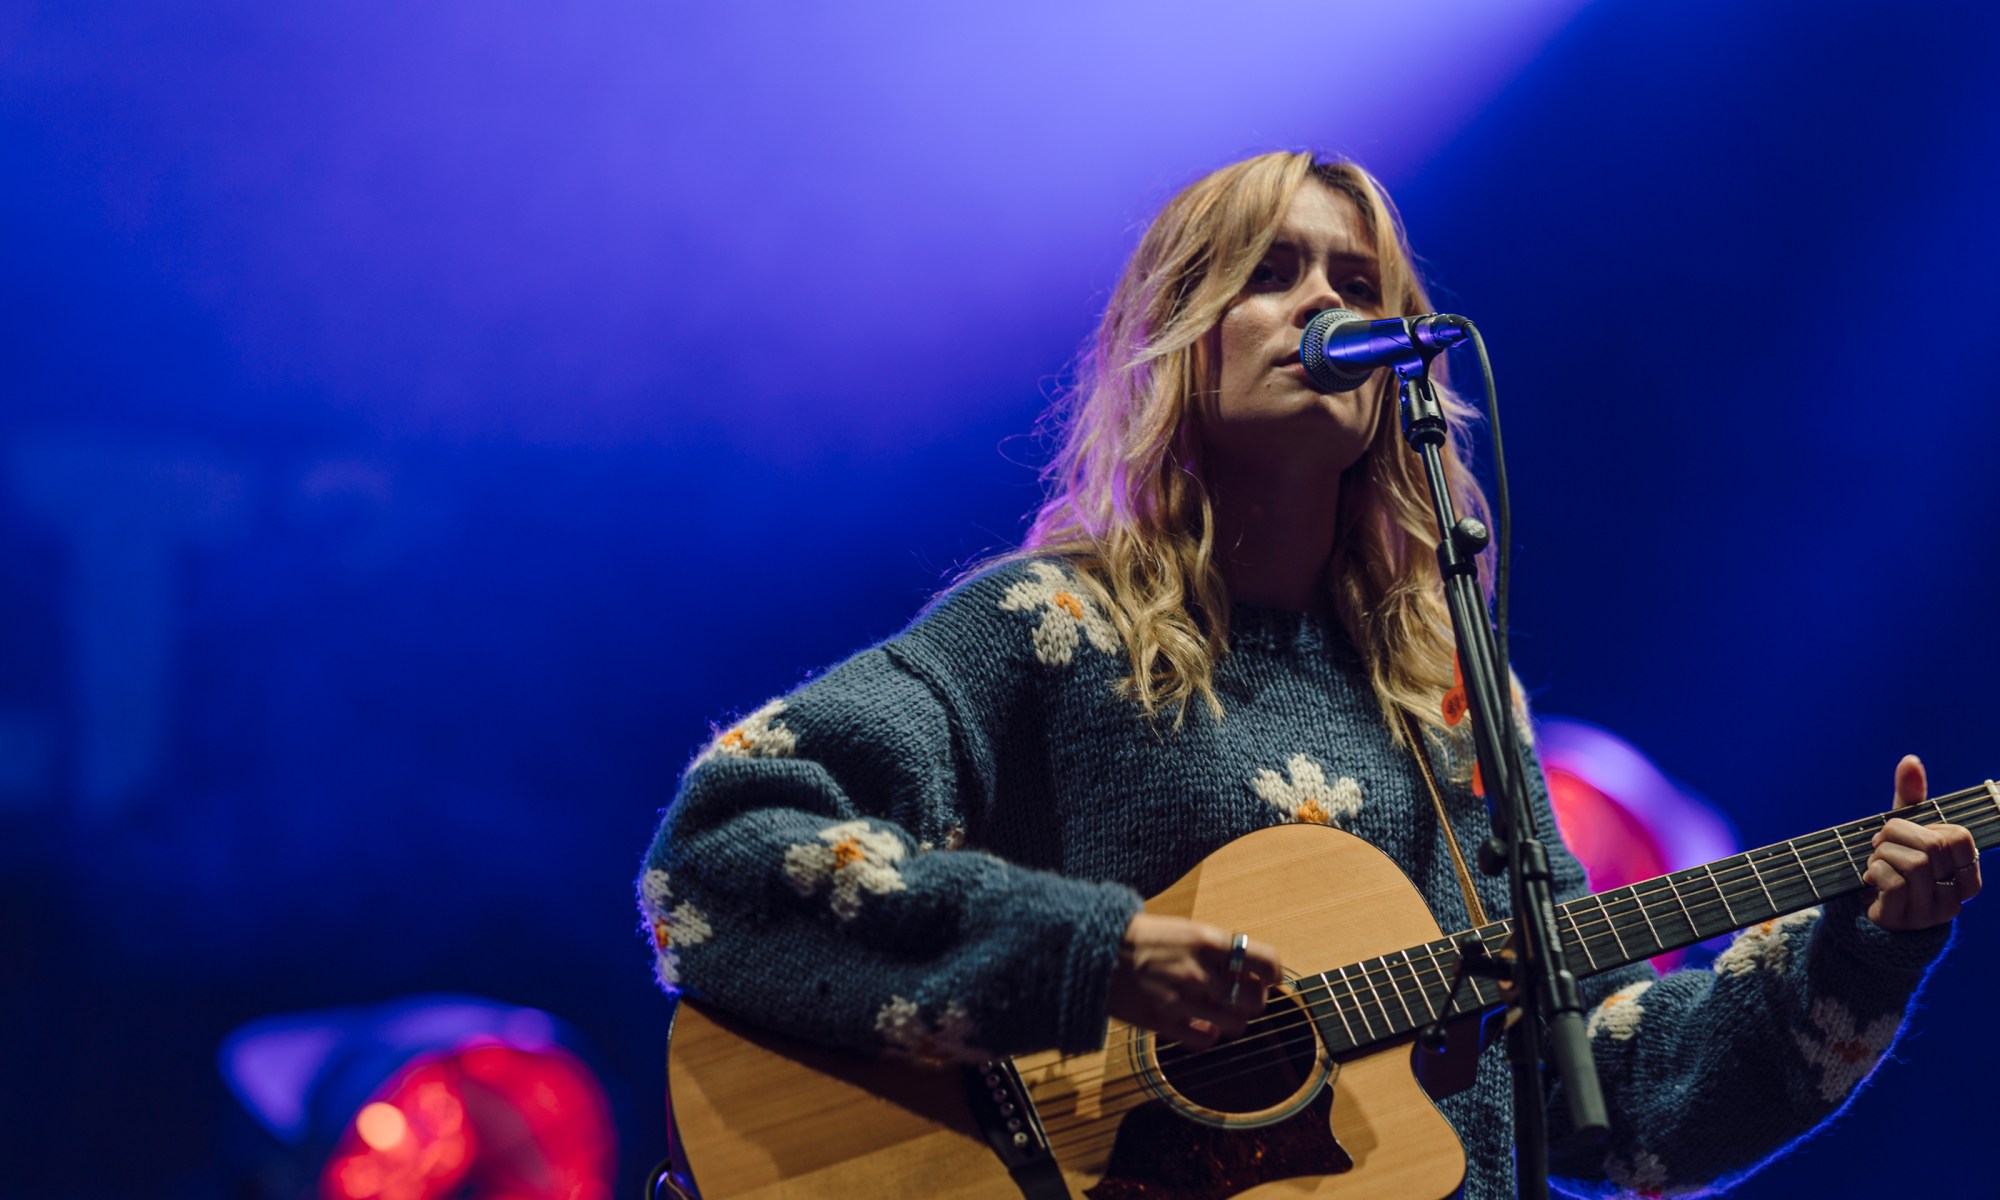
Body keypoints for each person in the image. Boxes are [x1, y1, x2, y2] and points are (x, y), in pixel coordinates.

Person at [636, 151, 1978, 1198]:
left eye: (1357, 280)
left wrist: (1868, 944)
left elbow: (1605, 1091)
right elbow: (727, 849)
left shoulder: (1459, 708)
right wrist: (1085, 957)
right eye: (1272, 272)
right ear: (1179, 341)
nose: (1327, 303)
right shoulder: (1049, 629)